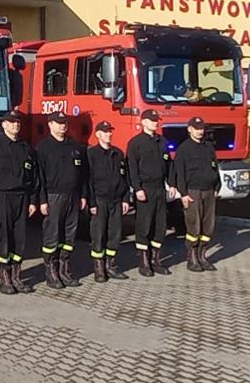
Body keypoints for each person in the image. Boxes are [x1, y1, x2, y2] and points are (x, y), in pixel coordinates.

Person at [0, 109, 41, 295]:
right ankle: (4, 278)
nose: (16, 125)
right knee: (4, 238)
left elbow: (33, 177)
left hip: (22, 197)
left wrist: (32, 200)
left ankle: (17, 276)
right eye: (11, 122)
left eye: (18, 122)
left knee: (20, 239)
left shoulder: (26, 148)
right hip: (2, 197)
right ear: (4, 125)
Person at [34, 111, 89, 289]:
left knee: (69, 236)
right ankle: (51, 272)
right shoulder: (42, 148)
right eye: (58, 123)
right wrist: (42, 200)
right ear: (50, 125)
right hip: (53, 196)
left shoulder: (74, 147)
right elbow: (39, 177)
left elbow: (83, 176)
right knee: (52, 236)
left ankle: (65, 270)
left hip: (73, 196)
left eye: (64, 122)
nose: (62, 126)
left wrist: (83, 196)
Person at [125, 109, 173, 277]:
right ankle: (144, 262)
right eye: (152, 120)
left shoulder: (162, 142)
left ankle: (156, 260)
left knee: (160, 227)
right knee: (144, 226)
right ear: (143, 122)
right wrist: (137, 188)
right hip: (145, 189)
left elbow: (169, 164)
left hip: (160, 189)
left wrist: (172, 184)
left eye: (156, 120)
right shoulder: (136, 143)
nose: (155, 123)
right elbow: (132, 168)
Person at [171, 116, 222, 273]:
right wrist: (183, 194)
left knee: (208, 227)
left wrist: (216, 186)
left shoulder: (208, 147)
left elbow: (214, 167)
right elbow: (179, 173)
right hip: (193, 192)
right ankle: (192, 257)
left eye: (201, 128)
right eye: (196, 128)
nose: (200, 131)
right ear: (189, 129)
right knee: (194, 226)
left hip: (209, 191)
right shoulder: (184, 149)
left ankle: (202, 256)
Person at [84, 120, 131, 282]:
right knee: (98, 234)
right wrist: (92, 203)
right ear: (97, 135)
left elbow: (125, 178)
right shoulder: (91, 154)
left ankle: (111, 266)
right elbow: (88, 180)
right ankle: (99, 268)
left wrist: (126, 199)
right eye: (105, 132)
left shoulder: (118, 153)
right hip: (99, 200)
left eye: (110, 131)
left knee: (115, 234)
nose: (108, 134)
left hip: (116, 200)